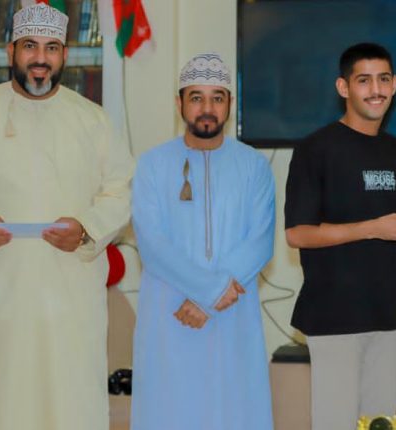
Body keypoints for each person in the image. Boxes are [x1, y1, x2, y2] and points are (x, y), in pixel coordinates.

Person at [0, 4, 133, 430]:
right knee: (0, 403)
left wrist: (86, 230)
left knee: (70, 405)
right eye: (30, 46)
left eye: (51, 48)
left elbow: (120, 191)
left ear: (64, 55)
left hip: (70, 298)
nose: (40, 58)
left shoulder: (93, 120)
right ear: (11, 51)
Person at [130, 52, 275, 430]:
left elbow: (260, 242)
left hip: (232, 313)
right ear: (179, 103)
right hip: (171, 313)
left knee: (234, 408)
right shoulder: (152, 165)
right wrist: (210, 291)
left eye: (217, 98)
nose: (207, 108)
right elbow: (152, 244)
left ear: (229, 104)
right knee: (171, 408)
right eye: (196, 97)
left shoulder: (254, 166)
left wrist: (208, 299)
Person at [284, 42, 396, 430]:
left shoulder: (395, 149)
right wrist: (372, 228)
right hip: (334, 316)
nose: (375, 90)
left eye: (383, 79)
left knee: (380, 423)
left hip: (387, 315)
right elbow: (297, 233)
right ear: (344, 87)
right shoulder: (315, 149)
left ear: (394, 85)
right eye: (364, 80)